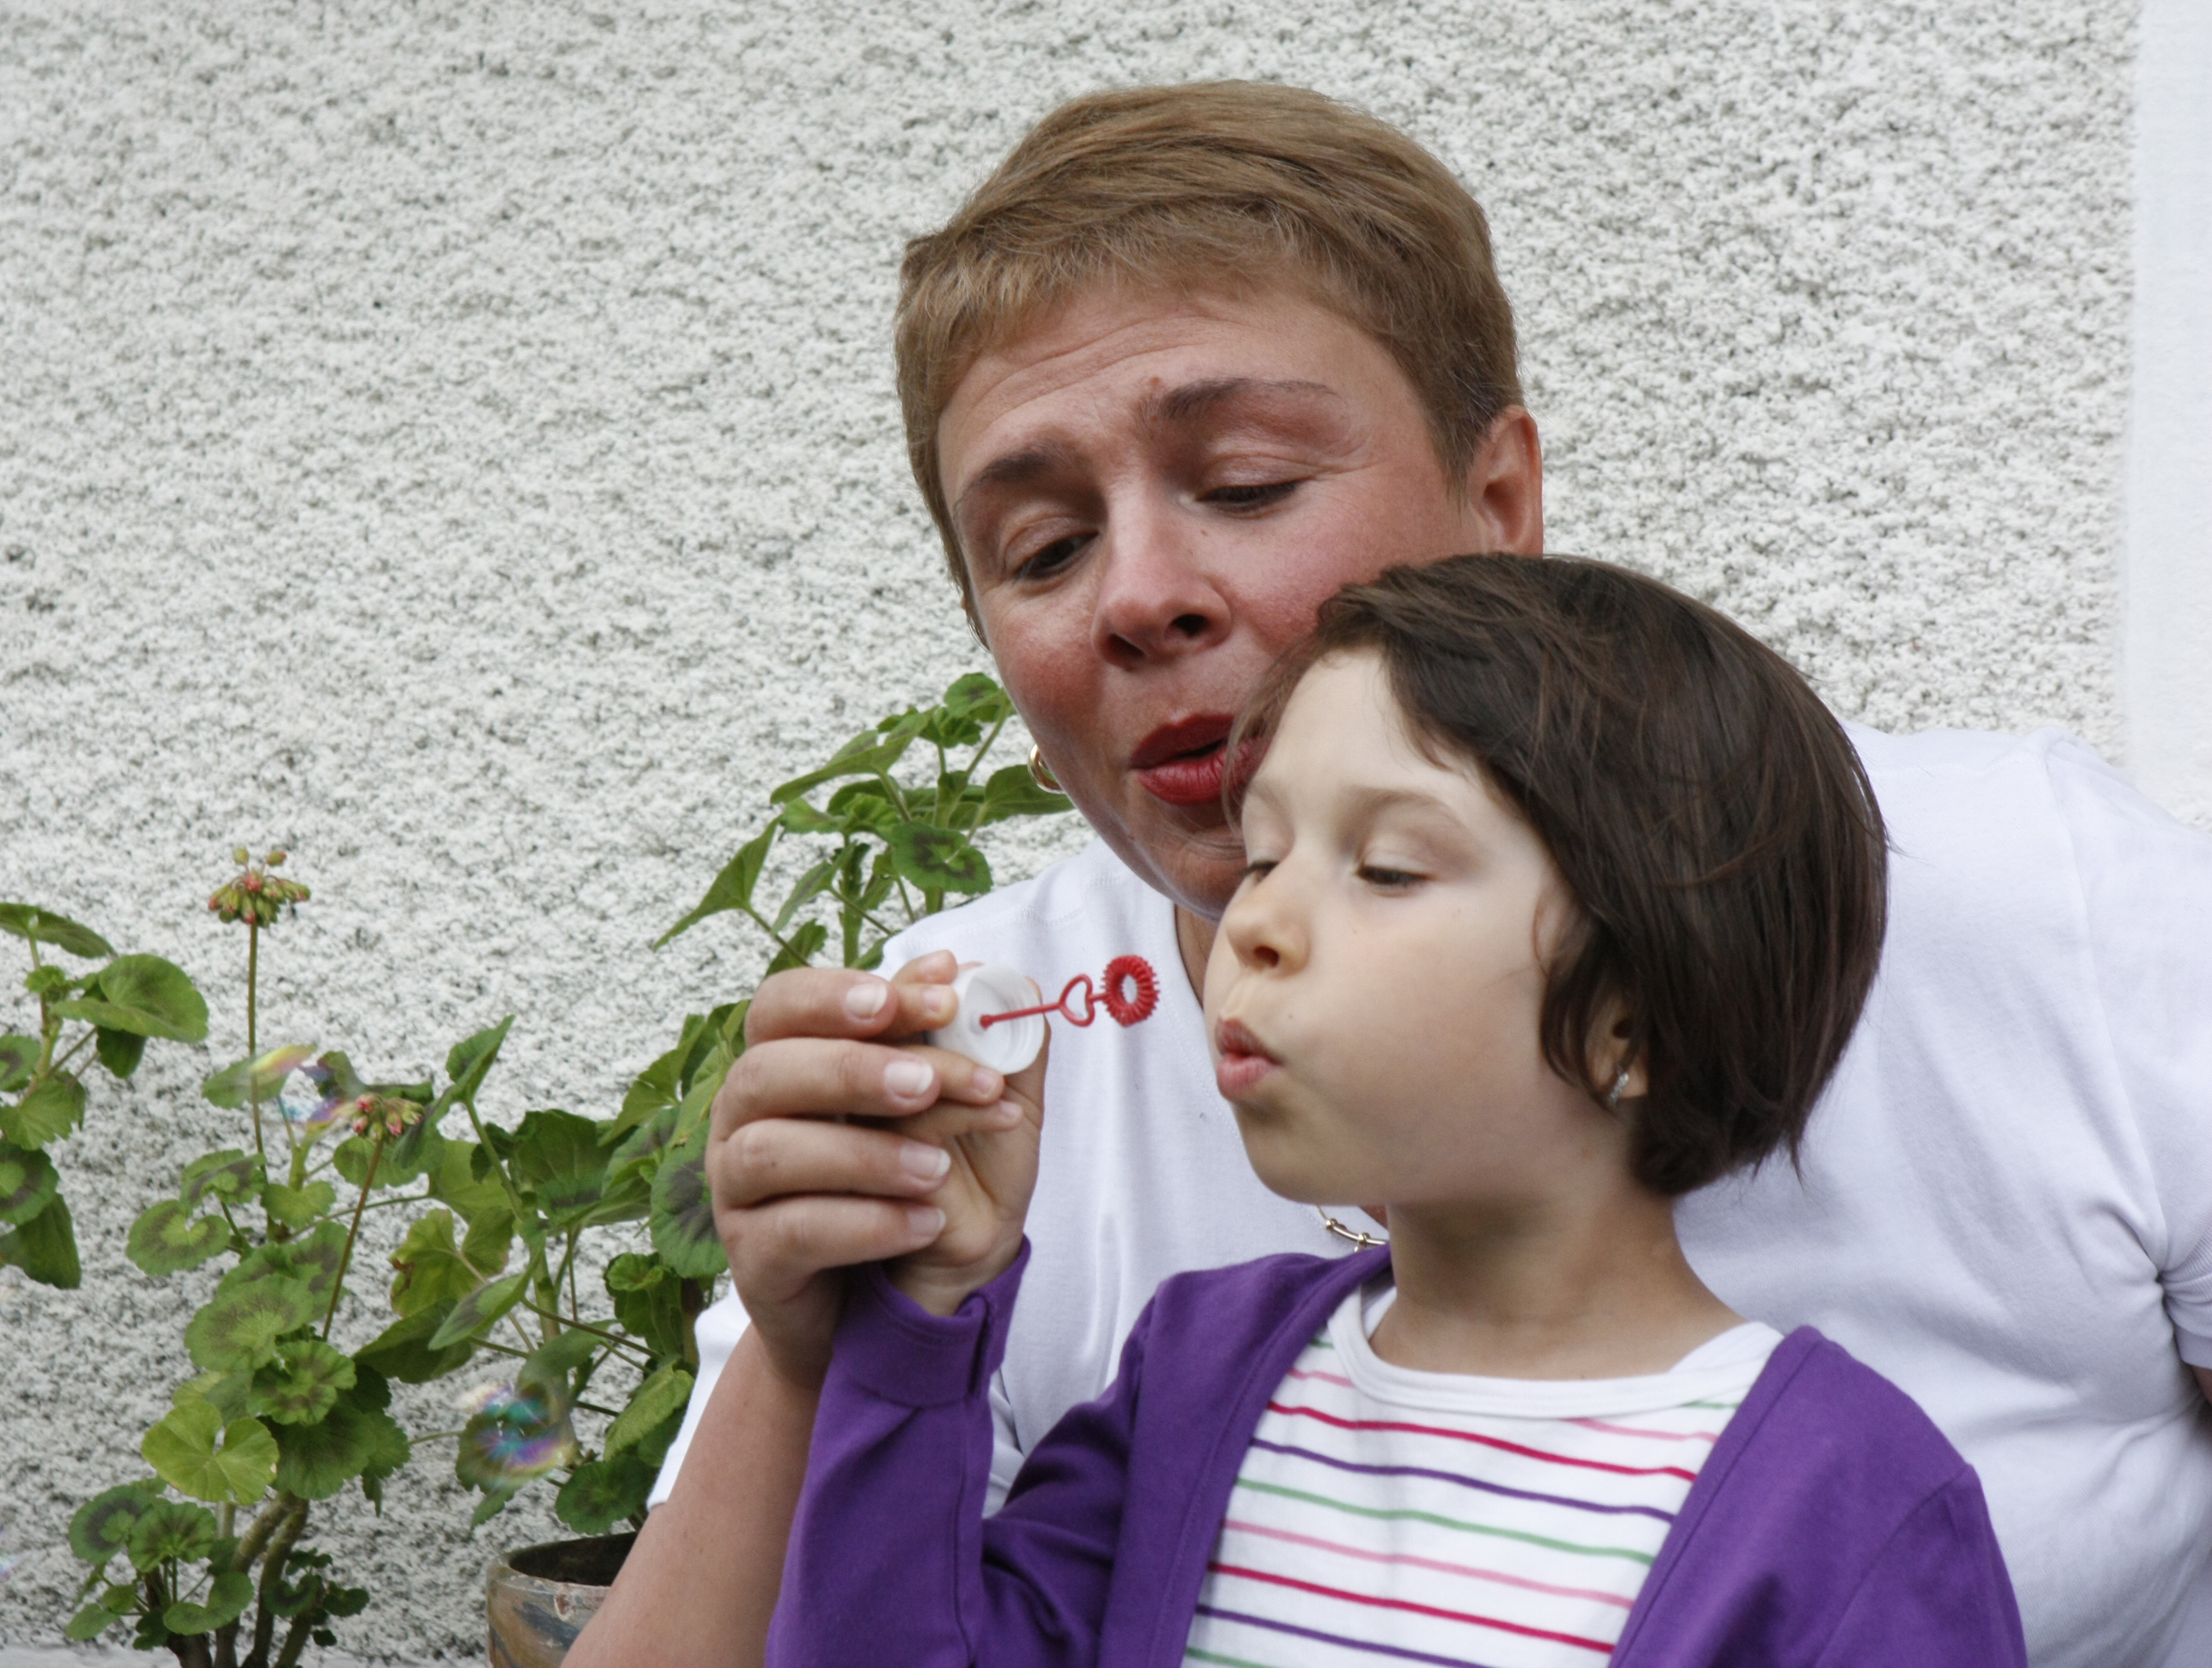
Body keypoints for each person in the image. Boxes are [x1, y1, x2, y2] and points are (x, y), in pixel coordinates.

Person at [572, 84, 2212, 1668]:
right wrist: (827, 1348)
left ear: (1501, 500)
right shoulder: (991, 1087)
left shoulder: (2032, 892)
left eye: (1248, 484)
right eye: (1043, 549)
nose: (1139, 596)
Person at [768, 554, 2027, 1667]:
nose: (1251, 921)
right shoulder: (1198, 1378)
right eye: (1264, 853)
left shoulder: (1851, 1500)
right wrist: (923, 1308)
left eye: (1384, 866)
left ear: (1629, 1023)